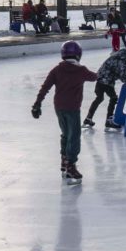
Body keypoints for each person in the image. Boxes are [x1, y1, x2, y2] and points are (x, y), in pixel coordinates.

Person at [32, 41, 99, 184]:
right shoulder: (81, 71)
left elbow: (45, 87)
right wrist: (102, 73)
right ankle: (71, 165)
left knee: (65, 134)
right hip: (73, 108)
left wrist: (37, 104)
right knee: (74, 136)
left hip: (59, 107)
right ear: (78, 54)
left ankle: (64, 161)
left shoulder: (57, 70)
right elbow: (94, 77)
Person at [84, 43, 126, 130]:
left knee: (99, 98)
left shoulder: (119, 55)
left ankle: (88, 118)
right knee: (114, 98)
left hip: (100, 79)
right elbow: (123, 76)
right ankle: (109, 120)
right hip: (106, 81)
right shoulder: (122, 60)